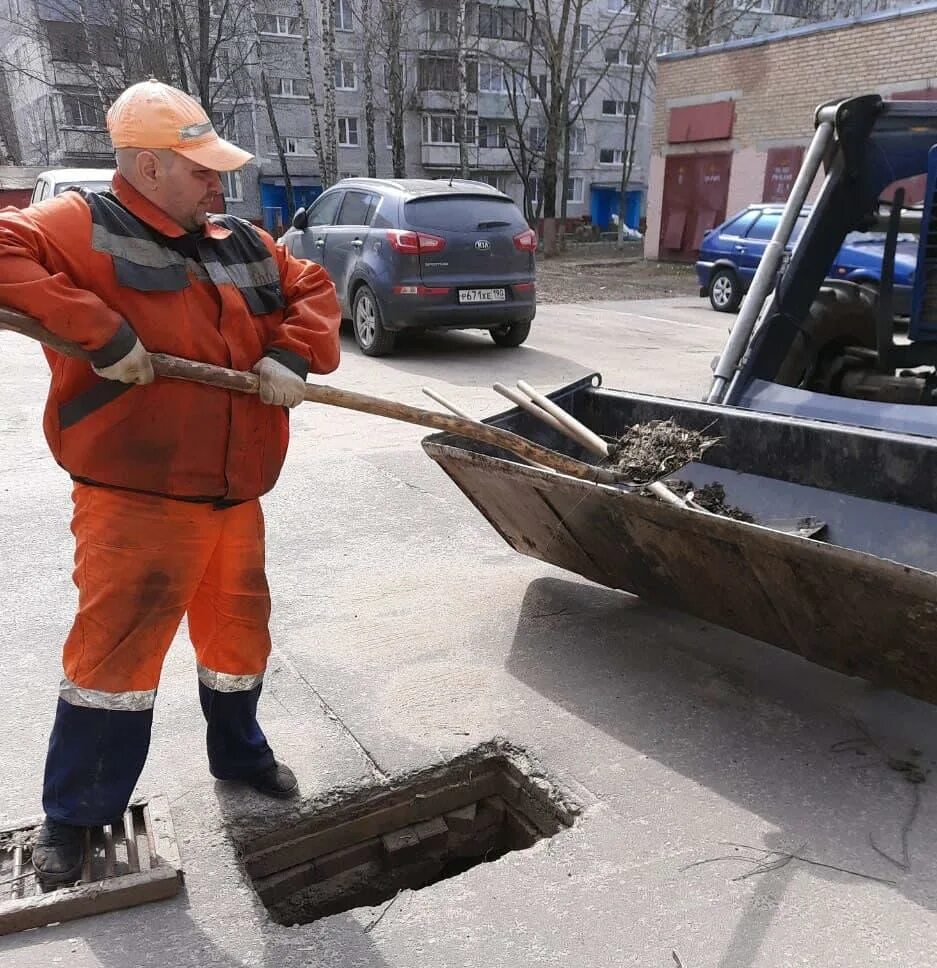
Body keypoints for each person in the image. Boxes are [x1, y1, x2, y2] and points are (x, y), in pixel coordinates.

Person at [0, 79, 341, 885]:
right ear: (146, 167)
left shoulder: (239, 239)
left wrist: (291, 352)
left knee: (237, 640)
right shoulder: (77, 226)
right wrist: (99, 332)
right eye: (199, 170)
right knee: (115, 659)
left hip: (235, 493)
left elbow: (314, 289)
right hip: (136, 499)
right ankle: (77, 817)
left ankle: (240, 754)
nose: (216, 182)